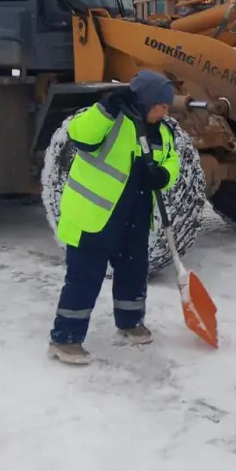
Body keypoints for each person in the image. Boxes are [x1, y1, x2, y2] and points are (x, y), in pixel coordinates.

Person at [48, 70, 180, 365]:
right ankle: (65, 339)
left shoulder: (163, 131)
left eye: (167, 107)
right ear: (146, 101)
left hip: (134, 216)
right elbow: (79, 134)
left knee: (133, 271)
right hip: (95, 216)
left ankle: (130, 321)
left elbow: (172, 161)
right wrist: (104, 108)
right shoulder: (112, 119)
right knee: (84, 277)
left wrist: (163, 175)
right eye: (161, 105)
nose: (165, 112)